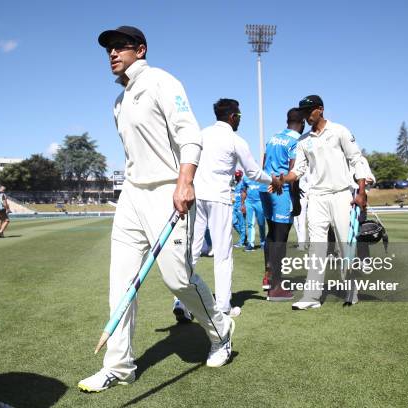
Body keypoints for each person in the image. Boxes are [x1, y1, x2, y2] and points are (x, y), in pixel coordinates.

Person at [79, 26, 234, 393]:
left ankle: (221, 331)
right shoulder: (118, 101)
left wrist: (184, 181)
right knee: (121, 284)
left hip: (168, 191)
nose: (113, 54)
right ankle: (118, 366)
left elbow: (189, 134)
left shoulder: (163, 81)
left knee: (178, 279)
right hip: (132, 195)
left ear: (141, 49)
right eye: (109, 50)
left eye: (120, 47)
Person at [174, 98, 272, 319]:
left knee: (192, 251)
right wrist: (274, 181)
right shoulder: (235, 139)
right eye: (239, 116)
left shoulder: (201, 134)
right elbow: (254, 173)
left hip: (196, 197)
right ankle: (224, 306)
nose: (239, 120)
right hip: (219, 198)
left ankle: (181, 302)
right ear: (232, 116)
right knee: (223, 254)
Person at [271, 95, 371, 310]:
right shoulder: (303, 141)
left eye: (310, 112)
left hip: (342, 195)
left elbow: (357, 159)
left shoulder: (339, 131)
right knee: (317, 247)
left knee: (345, 246)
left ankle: (351, 291)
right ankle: (312, 297)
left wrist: (361, 192)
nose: (306, 116)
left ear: (321, 109)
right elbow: (297, 171)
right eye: (304, 113)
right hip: (316, 197)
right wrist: (282, 179)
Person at [260, 108, 305, 300]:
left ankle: (268, 276)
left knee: (271, 235)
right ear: (301, 123)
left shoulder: (273, 137)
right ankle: (276, 286)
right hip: (281, 190)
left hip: (264, 187)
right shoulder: (297, 141)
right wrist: (295, 200)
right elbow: (294, 172)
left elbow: (263, 163)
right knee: (281, 237)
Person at [240, 176, 267, 251]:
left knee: (261, 223)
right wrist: (242, 204)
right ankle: (250, 244)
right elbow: (244, 191)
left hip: (260, 202)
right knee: (250, 224)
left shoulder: (261, 176)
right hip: (249, 203)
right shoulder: (245, 178)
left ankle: (263, 242)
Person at [232, 170, 247, 248]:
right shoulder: (235, 184)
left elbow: (245, 193)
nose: (236, 177)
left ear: (241, 175)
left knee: (242, 224)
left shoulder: (243, 183)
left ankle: (242, 242)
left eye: (238, 175)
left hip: (240, 205)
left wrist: (243, 205)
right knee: (233, 222)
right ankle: (243, 237)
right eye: (236, 175)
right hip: (234, 205)